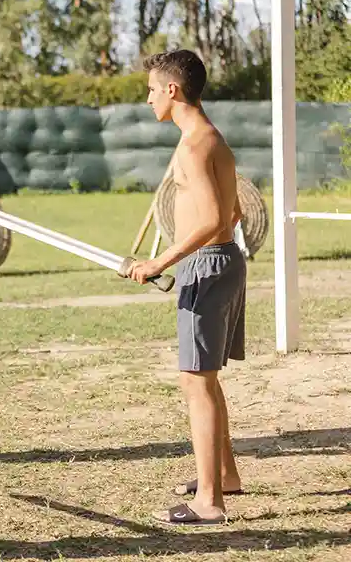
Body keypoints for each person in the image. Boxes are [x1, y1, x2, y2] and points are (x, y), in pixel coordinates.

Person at [127, 49, 246, 526]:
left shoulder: (197, 145)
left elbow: (218, 219)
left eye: (153, 89)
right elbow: (233, 213)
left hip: (208, 266)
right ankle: (226, 476)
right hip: (219, 263)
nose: (150, 98)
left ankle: (210, 503)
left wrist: (162, 259)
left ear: (172, 90)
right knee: (205, 378)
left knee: (195, 381)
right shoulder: (205, 139)